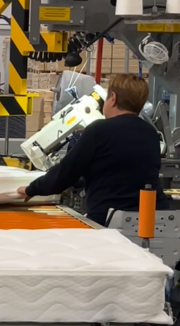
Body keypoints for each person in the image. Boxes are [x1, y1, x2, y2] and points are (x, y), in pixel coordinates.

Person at [18, 74, 169, 226]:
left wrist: (32, 189)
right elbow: (121, 173)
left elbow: (66, 172)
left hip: (108, 221)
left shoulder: (99, 130)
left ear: (113, 98)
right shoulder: (150, 133)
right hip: (152, 221)